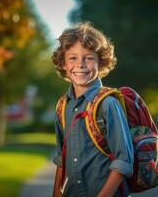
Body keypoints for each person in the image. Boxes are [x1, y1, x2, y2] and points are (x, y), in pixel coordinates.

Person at [51, 22, 134, 197]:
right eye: (72, 58)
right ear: (64, 65)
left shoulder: (108, 104)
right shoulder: (62, 106)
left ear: (101, 63)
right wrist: (56, 191)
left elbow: (124, 160)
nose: (80, 64)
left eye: (88, 57)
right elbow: (62, 157)